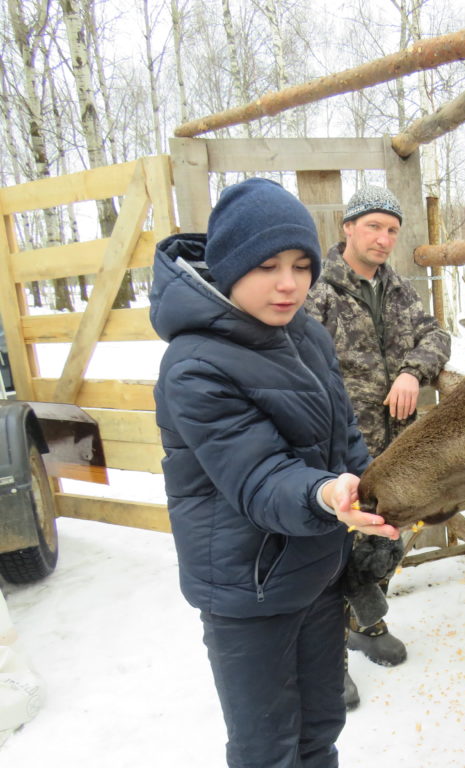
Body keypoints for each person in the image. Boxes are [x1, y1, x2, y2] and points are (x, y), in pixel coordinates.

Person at [150, 177, 398, 768]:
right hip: (248, 588)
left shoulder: (304, 334)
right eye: (267, 266)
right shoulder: (193, 365)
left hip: (315, 570)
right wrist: (326, 494)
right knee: (267, 749)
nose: (289, 284)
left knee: (320, 726)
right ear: (231, 265)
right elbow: (259, 477)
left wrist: (381, 490)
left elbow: (346, 437)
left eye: (300, 265)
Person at [304, 185, 450, 704]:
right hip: (337, 449)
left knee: (385, 538)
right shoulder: (317, 290)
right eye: (373, 226)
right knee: (333, 549)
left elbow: (438, 334)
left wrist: (413, 371)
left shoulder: (398, 289)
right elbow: (297, 366)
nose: (384, 238)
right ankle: (328, 656)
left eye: (392, 229)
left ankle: (364, 627)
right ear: (348, 228)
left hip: (394, 447)